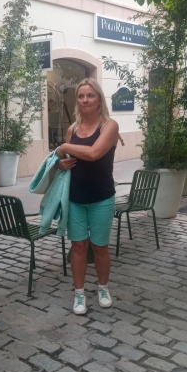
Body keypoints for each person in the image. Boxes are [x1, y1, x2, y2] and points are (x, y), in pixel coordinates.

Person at [56, 78, 119, 315]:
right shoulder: (72, 130)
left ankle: (103, 289)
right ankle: (79, 294)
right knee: (79, 246)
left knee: (100, 247)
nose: (85, 100)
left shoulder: (109, 126)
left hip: (102, 197)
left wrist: (64, 147)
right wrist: (61, 163)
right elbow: (66, 162)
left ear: (99, 99)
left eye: (90, 95)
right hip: (75, 197)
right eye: (81, 96)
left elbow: (93, 153)